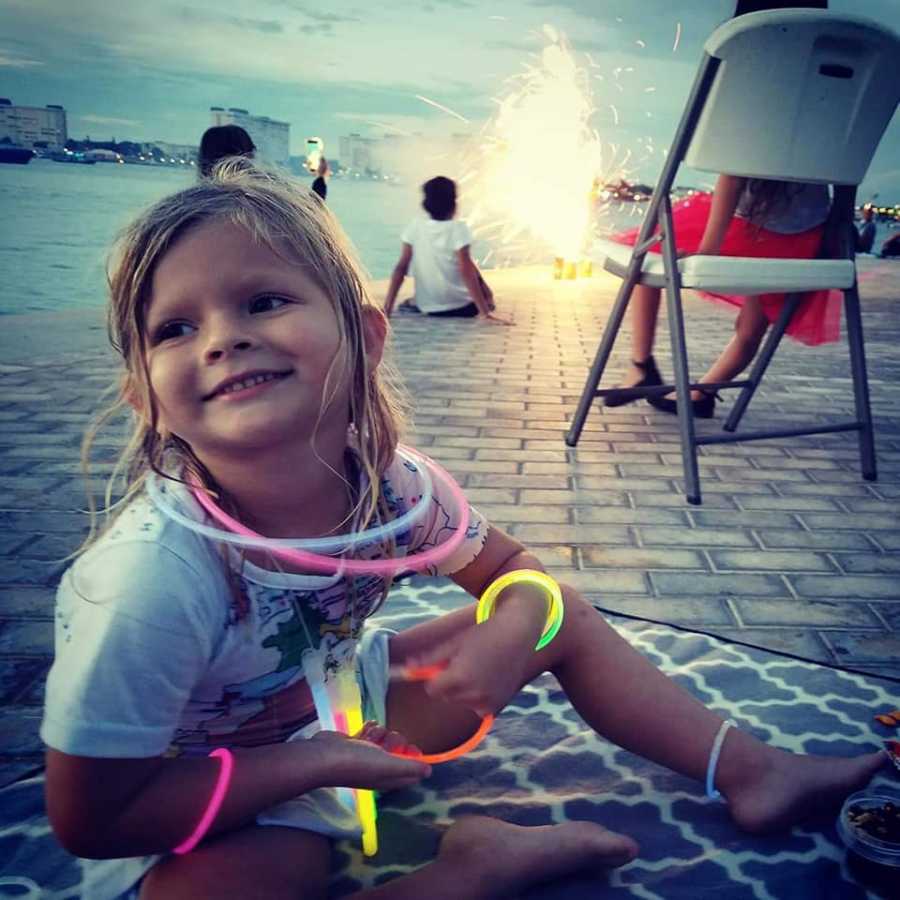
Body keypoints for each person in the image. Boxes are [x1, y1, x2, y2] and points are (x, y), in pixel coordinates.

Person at [41, 161, 886, 900]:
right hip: (204, 785)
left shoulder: (391, 486)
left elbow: (517, 574)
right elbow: (95, 815)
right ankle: (473, 869)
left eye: (263, 300)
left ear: (366, 339)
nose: (224, 338)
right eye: (175, 328)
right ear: (144, 397)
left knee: (562, 611)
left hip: (341, 705)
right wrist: (319, 767)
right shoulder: (152, 579)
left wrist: (517, 622)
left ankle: (753, 771)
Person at [604, 0, 836, 419]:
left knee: (651, 242)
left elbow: (730, 174)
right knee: (753, 325)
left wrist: (710, 247)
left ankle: (642, 364)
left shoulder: (750, 83)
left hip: (746, 224)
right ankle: (703, 392)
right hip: (806, 235)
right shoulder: (835, 85)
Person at [384, 176, 509, 324]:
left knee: (465, 263)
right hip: (464, 308)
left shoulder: (415, 227)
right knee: (468, 263)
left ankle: (415, 302)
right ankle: (486, 301)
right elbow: (466, 270)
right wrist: (484, 312)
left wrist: (387, 309)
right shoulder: (459, 229)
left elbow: (401, 268)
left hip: (428, 307)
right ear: (454, 204)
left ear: (425, 204)